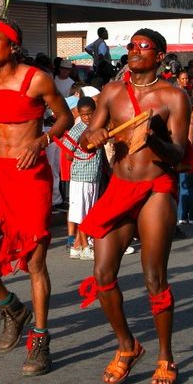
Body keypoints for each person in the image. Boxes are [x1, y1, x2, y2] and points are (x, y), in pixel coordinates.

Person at [0, 17, 73, 376]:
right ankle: (11, 306)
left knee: (35, 263)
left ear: (13, 46)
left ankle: (40, 338)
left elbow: (65, 117)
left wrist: (42, 141)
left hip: (30, 177)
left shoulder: (36, 78)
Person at [79, 28, 188, 384]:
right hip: (119, 187)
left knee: (153, 278)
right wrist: (92, 137)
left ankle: (166, 358)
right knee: (102, 275)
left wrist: (154, 136)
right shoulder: (111, 92)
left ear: (159, 55)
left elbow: (180, 156)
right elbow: (88, 137)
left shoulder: (174, 96)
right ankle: (127, 346)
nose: (136, 50)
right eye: (132, 45)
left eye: (145, 46)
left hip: (156, 187)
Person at [62, 96, 104, 261]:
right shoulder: (76, 129)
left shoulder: (96, 127)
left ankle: (78, 246)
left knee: (88, 211)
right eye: (84, 114)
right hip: (81, 177)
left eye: (90, 114)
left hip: (93, 176)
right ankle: (84, 245)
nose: (87, 117)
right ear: (79, 113)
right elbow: (67, 154)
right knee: (81, 213)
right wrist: (81, 159)